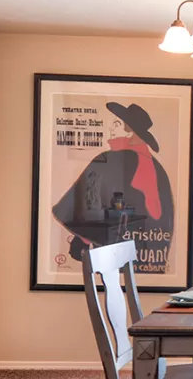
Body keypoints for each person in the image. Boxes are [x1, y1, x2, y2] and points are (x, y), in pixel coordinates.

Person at [52, 101, 175, 272]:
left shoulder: (108, 159)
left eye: (116, 123)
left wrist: (83, 239)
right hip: (150, 255)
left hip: (114, 255)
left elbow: (88, 204)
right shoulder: (157, 168)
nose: (110, 128)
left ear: (129, 130)